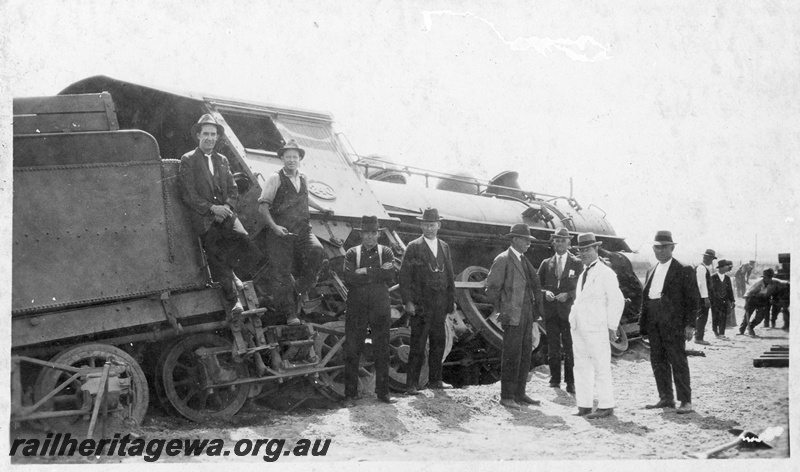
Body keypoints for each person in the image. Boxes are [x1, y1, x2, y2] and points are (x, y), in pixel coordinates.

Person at [179, 114, 257, 315]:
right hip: (204, 217)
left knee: (244, 241)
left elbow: (233, 190)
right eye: (206, 133)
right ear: (198, 135)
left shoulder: (222, 160)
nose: (210, 138)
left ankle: (233, 274)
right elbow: (189, 194)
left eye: (213, 134)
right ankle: (234, 300)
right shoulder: (188, 160)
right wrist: (212, 209)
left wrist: (226, 208)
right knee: (215, 254)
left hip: (226, 214)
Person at [257, 139, 333, 325]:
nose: (292, 160)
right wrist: (275, 228)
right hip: (280, 233)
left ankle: (298, 289)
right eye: (288, 157)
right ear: (282, 158)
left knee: (317, 251)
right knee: (283, 273)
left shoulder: (303, 177)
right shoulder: (274, 179)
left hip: (302, 229)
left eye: (295, 157)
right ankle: (291, 315)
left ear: (300, 159)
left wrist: (322, 209)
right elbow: (262, 207)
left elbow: (304, 199)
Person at [485, 223, 544, 410]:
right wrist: (503, 308)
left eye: (529, 240)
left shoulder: (523, 260)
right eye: (525, 240)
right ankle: (507, 396)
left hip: (527, 314)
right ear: (515, 239)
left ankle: (520, 393)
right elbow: (491, 288)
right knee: (511, 354)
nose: (528, 243)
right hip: (512, 315)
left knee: (526, 352)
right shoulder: (503, 259)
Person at [639, 231, 699, 414]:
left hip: (673, 324)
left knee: (678, 361)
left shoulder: (684, 269)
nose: (661, 251)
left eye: (665, 247)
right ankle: (666, 398)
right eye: (657, 247)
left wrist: (690, 325)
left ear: (672, 248)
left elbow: (693, 299)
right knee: (658, 361)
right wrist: (644, 325)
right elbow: (647, 299)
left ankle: (686, 401)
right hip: (653, 322)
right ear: (653, 249)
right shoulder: (651, 270)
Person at [399, 208, 456, 394]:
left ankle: (436, 380)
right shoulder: (413, 246)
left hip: (440, 304)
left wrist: (451, 301)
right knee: (418, 345)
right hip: (421, 305)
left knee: (438, 343)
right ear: (421, 225)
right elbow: (405, 277)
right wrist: (408, 301)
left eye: (432, 225)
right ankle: (411, 384)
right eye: (425, 224)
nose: (429, 228)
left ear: (438, 225)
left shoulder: (445, 247)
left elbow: (449, 275)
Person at [568, 233, 624, 418]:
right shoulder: (584, 273)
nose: (584, 253)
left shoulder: (605, 272)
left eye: (587, 249)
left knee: (601, 366)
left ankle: (606, 405)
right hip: (580, 327)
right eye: (581, 250)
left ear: (596, 249)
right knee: (581, 366)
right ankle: (584, 405)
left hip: (597, 327)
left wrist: (612, 326)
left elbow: (617, 300)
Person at [342, 216, 396, 405]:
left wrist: (364, 271)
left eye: (373, 233)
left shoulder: (386, 251)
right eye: (366, 233)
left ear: (379, 234)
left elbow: (390, 274)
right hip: (357, 307)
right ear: (361, 234)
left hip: (380, 307)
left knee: (382, 348)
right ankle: (350, 394)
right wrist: (377, 272)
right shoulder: (351, 253)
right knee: (352, 349)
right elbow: (348, 277)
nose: (370, 237)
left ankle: (383, 393)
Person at [537, 227, 583, 394]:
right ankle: (554, 380)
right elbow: (537, 286)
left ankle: (571, 382)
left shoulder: (577, 263)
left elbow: (583, 286)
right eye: (556, 240)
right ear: (553, 243)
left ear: (569, 242)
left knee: (570, 347)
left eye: (562, 240)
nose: (559, 243)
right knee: (553, 347)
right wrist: (545, 293)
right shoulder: (545, 263)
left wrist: (569, 294)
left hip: (569, 312)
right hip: (551, 312)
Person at [738, 268, 783, 336]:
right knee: (747, 316)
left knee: (760, 317)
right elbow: (748, 294)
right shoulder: (758, 283)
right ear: (764, 277)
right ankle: (741, 331)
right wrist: (746, 304)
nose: (770, 279)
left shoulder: (773, 283)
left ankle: (750, 327)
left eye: (771, 277)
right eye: (768, 278)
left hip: (763, 301)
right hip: (753, 299)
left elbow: (774, 293)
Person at [693, 249, 716, 345]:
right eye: (711, 258)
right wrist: (705, 298)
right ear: (706, 257)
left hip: (703, 296)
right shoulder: (701, 268)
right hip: (701, 297)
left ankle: (699, 336)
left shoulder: (704, 268)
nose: (711, 261)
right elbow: (701, 284)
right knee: (702, 317)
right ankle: (698, 338)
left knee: (703, 316)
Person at [709, 259, 735, 340]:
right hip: (715, 301)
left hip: (724, 301)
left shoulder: (727, 278)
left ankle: (721, 333)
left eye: (726, 267)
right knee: (715, 316)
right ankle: (715, 331)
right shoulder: (713, 277)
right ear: (720, 268)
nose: (726, 269)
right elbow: (710, 290)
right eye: (724, 267)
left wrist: (732, 300)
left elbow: (730, 290)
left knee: (723, 317)